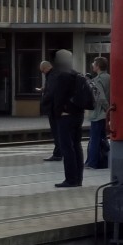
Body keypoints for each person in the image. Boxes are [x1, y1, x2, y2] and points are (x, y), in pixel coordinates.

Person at [42, 49, 84, 188]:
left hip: (66, 117)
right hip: (78, 115)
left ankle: (71, 179)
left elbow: (54, 95)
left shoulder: (60, 76)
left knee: (67, 148)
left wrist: (57, 111)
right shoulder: (75, 73)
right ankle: (78, 179)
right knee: (77, 146)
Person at [85, 57, 110, 170]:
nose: (92, 66)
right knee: (103, 138)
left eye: (94, 64)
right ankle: (104, 161)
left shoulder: (97, 80)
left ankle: (92, 162)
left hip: (99, 113)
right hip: (106, 114)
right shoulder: (110, 78)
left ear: (98, 66)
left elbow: (100, 97)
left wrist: (107, 108)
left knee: (94, 139)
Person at [39, 60, 61, 161]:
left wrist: (43, 101)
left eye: (43, 71)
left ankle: (57, 154)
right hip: (57, 108)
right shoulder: (56, 74)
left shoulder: (51, 76)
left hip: (54, 109)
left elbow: (51, 93)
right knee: (59, 132)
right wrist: (45, 89)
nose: (43, 73)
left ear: (46, 68)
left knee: (56, 132)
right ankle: (59, 152)